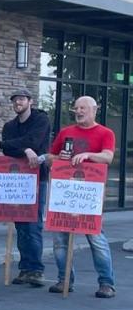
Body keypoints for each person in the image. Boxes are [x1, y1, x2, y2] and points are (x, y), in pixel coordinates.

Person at [48, 96, 116, 298]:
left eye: (83, 108)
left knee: (96, 239)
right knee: (60, 240)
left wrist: (87, 155)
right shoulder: (66, 132)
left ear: (94, 110)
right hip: (64, 193)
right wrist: (59, 158)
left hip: (89, 196)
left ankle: (107, 283)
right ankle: (64, 280)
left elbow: (108, 157)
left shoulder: (105, 133)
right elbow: (50, 157)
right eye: (76, 108)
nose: (78, 111)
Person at [0, 88, 51, 287]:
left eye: (22, 99)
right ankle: (25, 268)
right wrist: (24, 149)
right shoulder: (10, 126)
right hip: (17, 180)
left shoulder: (41, 120)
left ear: (30, 101)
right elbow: (9, 148)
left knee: (33, 225)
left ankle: (36, 270)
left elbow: (34, 141)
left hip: (37, 179)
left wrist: (17, 146)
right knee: (20, 225)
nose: (18, 102)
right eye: (15, 100)